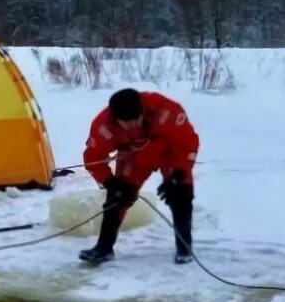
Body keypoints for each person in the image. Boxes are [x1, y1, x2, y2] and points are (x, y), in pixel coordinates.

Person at [79, 88, 199, 265]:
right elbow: (93, 158)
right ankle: (103, 249)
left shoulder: (168, 111)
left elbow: (188, 143)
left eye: (136, 120)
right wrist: (110, 182)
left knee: (180, 194)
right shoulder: (103, 126)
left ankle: (184, 249)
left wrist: (179, 173)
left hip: (171, 153)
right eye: (126, 123)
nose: (132, 125)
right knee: (117, 199)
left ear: (142, 110)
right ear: (115, 117)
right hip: (134, 158)